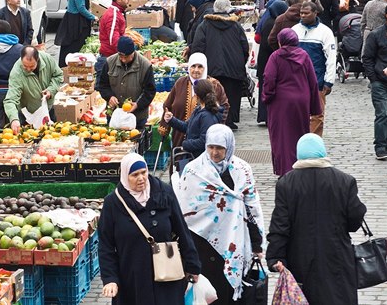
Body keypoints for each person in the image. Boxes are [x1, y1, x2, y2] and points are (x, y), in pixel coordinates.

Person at [266, 133, 367, 304]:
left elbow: (280, 225)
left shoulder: (286, 183)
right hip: (337, 257)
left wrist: (276, 257)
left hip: (299, 258)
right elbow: (355, 219)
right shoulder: (344, 181)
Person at [174, 124, 266, 302]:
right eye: (211, 147)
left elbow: (252, 207)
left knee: (228, 293)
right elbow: (183, 209)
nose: (214, 153)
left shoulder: (242, 170)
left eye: (220, 148)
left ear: (229, 147)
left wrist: (257, 243)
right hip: (201, 242)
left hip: (234, 240)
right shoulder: (193, 171)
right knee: (208, 292)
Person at [98, 153, 201, 304]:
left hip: (166, 275)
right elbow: (105, 245)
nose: (141, 178)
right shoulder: (113, 203)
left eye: (143, 172)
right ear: (125, 176)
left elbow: (182, 230)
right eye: (134, 175)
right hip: (132, 278)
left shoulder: (164, 193)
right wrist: (110, 279)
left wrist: (192, 265)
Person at [262, 29, 323, 175]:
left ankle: (284, 169)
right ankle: (300, 166)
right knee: (300, 134)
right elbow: (312, 82)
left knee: (281, 137)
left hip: (281, 102)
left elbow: (269, 78)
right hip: (301, 101)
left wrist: (267, 96)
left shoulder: (276, 57)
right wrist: (315, 106)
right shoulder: (304, 56)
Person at [191, 0, 249, 130]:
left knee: (213, 93)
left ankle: (213, 119)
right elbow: (244, 46)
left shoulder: (204, 25)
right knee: (231, 95)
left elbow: (198, 46)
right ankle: (229, 121)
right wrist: (241, 61)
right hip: (234, 68)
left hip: (212, 67)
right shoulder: (235, 26)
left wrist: (199, 65)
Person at [160, 53, 229, 149]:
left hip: (202, 144)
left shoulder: (215, 85)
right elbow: (168, 105)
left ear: (205, 68)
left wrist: (217, 130)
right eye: (193, 66)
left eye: (200, 66)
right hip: (179, 135)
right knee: (180, 161)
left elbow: (224, 107)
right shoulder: (180, 83)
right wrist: (168, 122)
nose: (196, 70)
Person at [292, 1, 337, 137]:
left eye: (306, 13)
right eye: (301, 13)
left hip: (317, 81)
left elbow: (331, 57)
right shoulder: (294, 30)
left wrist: (329, 81)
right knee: (298, 114)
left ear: (315, 13)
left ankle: (313, 142)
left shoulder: (325, 32)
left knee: (317, 115)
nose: (303, 16)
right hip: (296, 82)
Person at [97, 36, 156, 130]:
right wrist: (109, 97)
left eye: (126, 57)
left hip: (137, 117)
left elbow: (150, 91)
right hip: (114, 116)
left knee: (136, 139)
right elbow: (102, 85)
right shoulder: (109, 62)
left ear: (133, 52)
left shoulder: (145, 65)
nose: (123, 59)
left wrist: (137, 104)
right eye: (121, 56)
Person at [3, 46, 63, 134]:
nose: (28, 69)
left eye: (32, 66)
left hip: (47, 109)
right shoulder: (17, 73)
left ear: (38, 59)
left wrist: (51, 90)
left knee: (52, 138)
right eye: (25, 66)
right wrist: (14, 119)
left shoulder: (47, 59)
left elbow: (58, 75)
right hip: (28, 115)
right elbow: (10, 100)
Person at [163, 80, 223, 157]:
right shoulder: (199, 109)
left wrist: (186, 144)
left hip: (201, 159)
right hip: (193, 157)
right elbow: (187, 126)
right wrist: (171, 120)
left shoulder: (207, 116)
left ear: (196, 95)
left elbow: (204, 141)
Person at [255, 0, 289, 124]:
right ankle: (266, 115)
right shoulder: (271, 23)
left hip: (265, 60)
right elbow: (268, 43)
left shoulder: (267, 20)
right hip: (268, 60)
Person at [362, 3, 387, 159]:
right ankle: (380, 147)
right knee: (382, 114)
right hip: (379, 81)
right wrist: (373, 78)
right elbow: (367, 58)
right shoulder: (376, 34)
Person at [55, 0, 97, 68]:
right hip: (77, 22)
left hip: (70, 19)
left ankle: (64, 64)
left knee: (69, 43)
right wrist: (93, 17)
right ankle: (74, 65)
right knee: (76, 44)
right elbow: (81, 8)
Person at [95, 0, 129, 88]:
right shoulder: (113, 14)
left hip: (111, 57)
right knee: (104, 90)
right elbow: (113, 40)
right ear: (118, 0)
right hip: (109, 59)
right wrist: (126, 53)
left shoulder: (117, 12)